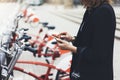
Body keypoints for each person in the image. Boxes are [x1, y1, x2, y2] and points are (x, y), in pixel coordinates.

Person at [53, 0, 116, 80]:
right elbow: (89, 40)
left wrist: (70, 48)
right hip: (84, 72)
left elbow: (99, 54)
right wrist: (72, 39)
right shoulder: (91, 10)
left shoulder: (104, 12)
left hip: (96, 75)